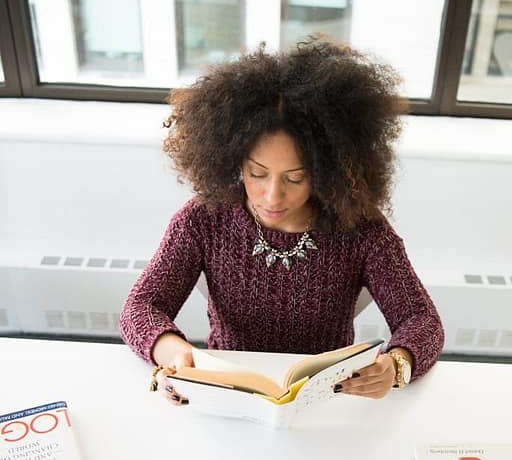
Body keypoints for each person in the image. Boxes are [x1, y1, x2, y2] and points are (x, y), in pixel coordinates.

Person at [120, 38, 444, 405]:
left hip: (326, 400)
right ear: (232, 159)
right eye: (257, 174)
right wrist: (173, 353)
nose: (273, 196)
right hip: (229, 395)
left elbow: (422, 320)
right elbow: (141, 308)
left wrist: (396, 365)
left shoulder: (361, 230)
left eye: (294, 178)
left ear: (328, 171)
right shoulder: (203, 220)